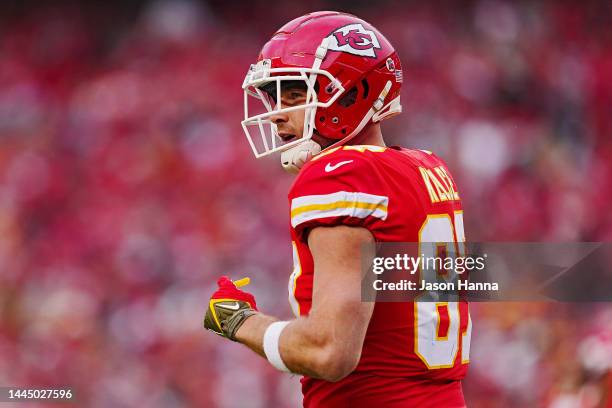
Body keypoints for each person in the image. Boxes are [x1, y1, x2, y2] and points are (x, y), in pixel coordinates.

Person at [204, 11, 471, 407]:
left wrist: (239, 321)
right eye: (274, 96)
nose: (277, 111)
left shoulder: (338, 176)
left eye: (295, 93)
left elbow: (330, 352)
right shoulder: (427, 167)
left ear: (352, 93)